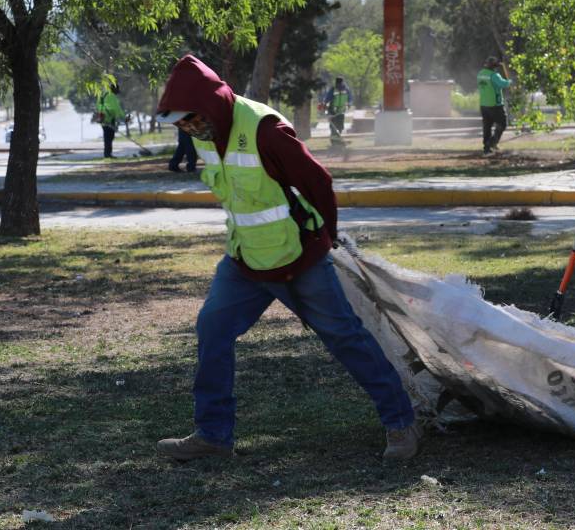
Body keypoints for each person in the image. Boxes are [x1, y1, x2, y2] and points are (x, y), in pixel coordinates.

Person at [153, 55, 421, 462]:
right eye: (181, 125)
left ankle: (401, 423)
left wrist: (326, 236)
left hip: (299, 259)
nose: (189, 130)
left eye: (191, 120)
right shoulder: (205, 135)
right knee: (212, 329)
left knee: (346, 337)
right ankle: (212, 436)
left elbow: (319, 181)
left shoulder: (265, 129)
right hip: (245, 262)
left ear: (213, 105)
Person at [477, 56, 511, 155]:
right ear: (494, 66)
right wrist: (510, 82)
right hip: (495, 104)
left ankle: (486, 149)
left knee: (487, 126)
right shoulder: (494, 75)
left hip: (484, 104)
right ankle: (491, 143)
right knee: (502, 124)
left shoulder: (480, 74)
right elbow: (503, 84)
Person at [95, 83, 126, 158]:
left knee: (107, 136)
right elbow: (116, 109)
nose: (117, 93)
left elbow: (98, 105)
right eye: (117, 91)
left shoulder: (103, 94)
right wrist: (123, 117)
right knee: (109, 136)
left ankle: (107, 154)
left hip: (102, 118)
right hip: (109, 119)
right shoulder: (111, 96)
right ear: (114, 89)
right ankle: (108, 154)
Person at [322, 77, 352, 148]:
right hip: (337, 112)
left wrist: (324, 104)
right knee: (336, 127)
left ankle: (336, 142)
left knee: (336, 127)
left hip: (337, 112)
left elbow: (327, 99)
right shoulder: (344, 89)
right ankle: (336, 142)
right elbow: (350, 99)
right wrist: (349, 104)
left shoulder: (335, 89)